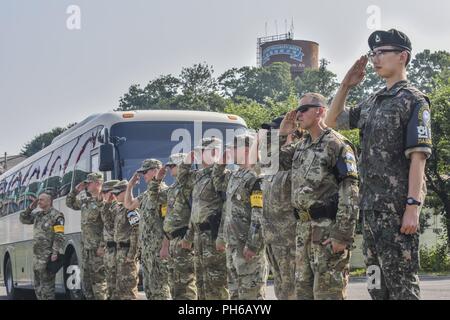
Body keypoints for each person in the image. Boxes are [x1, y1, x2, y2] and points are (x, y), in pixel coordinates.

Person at [325, 29, 432, 300]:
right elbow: (332, 121)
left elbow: (418, 158)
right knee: (376, 286)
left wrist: (412, 206)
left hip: (397, 211)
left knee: (402, 287)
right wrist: (345, 86)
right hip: (371, 210)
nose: (375, 58)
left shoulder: (414, 100)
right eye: (373, 53)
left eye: (382, 52)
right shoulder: (373, 101)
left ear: (402, 56)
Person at [278, 93, 359, 300]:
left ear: (320, 111)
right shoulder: (302, 146)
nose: (298, 114)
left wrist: (342, 235)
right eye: (297, 110)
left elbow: (350, 192)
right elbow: (272, 164)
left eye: (304, 109)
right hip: (303, 231)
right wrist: (282, 135)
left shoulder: (337, 144)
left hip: (327, 232)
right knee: (303, 295)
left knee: (328, 295)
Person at [213, 133, 268, 300]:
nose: (230, 151)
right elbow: (225, 205)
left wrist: (253, 244)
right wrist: (221, 237)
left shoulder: (257, 176)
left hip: (248, 249)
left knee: (251, 296)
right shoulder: (235, 175)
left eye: (233, 148)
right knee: (235, 296)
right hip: (233, 247)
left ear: (246, 150)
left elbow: (259, 214)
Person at [178, 137, 229, 300]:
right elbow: (182, 180)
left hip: (213, 235)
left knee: (216, 283)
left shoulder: (221, 175)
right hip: (199, 235)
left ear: (214, 152)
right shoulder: (199, 176)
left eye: (202, 151)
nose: (198, 154)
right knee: (201, 283)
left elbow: (227, 209)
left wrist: (221, 237)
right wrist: (186, 161)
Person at [149, 153, 197, 300]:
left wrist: (188, 238)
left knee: (186, 287)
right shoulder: (173, 188)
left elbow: (195, 213)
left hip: (185, 240)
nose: (169, 169)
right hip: (173, 241)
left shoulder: (190, 183)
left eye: (172, 166)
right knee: (175, 287)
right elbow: (153, 198)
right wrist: (157, 180)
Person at [124, 159, 171, 300]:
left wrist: (165, 246)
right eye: (142, 172)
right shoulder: (146, 194)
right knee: (150, 291)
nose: (143, 175)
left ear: (156, 170)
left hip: (158, 250)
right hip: (147, 252)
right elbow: (129, 205)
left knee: (161, 290)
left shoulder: (163, 193)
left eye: (145, 171)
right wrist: (130, 186)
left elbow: (168, 222)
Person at [66, 172, 107, 300]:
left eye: (89, 183)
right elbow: (70, 203)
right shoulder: (86, 202)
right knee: (87, 285)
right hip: (86, 250)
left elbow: (108, 226)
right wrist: (76, 190)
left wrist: (102, 246)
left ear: (98, 183)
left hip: (98, 251)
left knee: (100, 286)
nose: (87, 185)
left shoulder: (104, 202)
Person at [20, 192, 65, 300]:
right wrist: (31, 207)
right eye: (38, 200)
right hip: (37, 259)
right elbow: (23, 218)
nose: (39, 202)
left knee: (47, 290)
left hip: (47, 257)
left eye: (41, 200)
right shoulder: (38, 215)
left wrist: (55, 252)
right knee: (38, 289)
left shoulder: (57, 215)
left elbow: (59, 235)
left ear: (49, 201)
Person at [111, 180, 140, 300]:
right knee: (120, 288)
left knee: (128, 289)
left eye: (118, 192)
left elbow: (137, 231)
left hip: (128, 251)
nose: (115, 196)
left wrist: (131, 254)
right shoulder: (119, 208)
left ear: (125, 192)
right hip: (120, 252)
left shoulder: (131, 209)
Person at [100, 180, 120, 299]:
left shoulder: (117, 207)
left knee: (118, 287)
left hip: (117, 249)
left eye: (104, 192)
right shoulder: (109, 206)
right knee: (110, 286)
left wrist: (107, 203)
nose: (102, 194)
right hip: (109, 250)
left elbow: (108, 223)